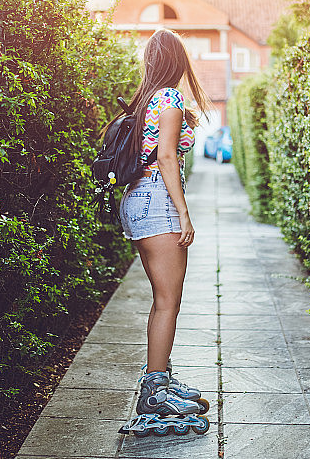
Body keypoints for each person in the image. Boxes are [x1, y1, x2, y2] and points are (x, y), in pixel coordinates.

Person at [119, 29, 212, 429]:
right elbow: (168, 156)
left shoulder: (143, 100)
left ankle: (159, 379)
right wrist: (184, 214)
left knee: (162, 300)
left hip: (136, 198)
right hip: (158, 198)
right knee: (168, 301)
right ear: (178, 60)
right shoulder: (169, 97)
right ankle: (155, 394)